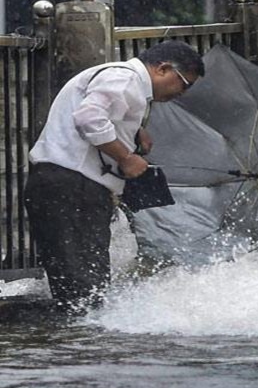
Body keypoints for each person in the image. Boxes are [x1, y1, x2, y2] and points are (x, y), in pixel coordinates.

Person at [24, 40, 204, 312]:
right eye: (184, 84)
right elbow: (89, 118)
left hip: (70, 185)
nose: (182, 93)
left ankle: (80, 340)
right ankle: (84, 344)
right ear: (163, 69)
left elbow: (96, 117)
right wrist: (125, 157)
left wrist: (132, 134)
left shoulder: (126, 83)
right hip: (70, 185)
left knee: (84, 280)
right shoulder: (124, 78)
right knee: (82, 285)